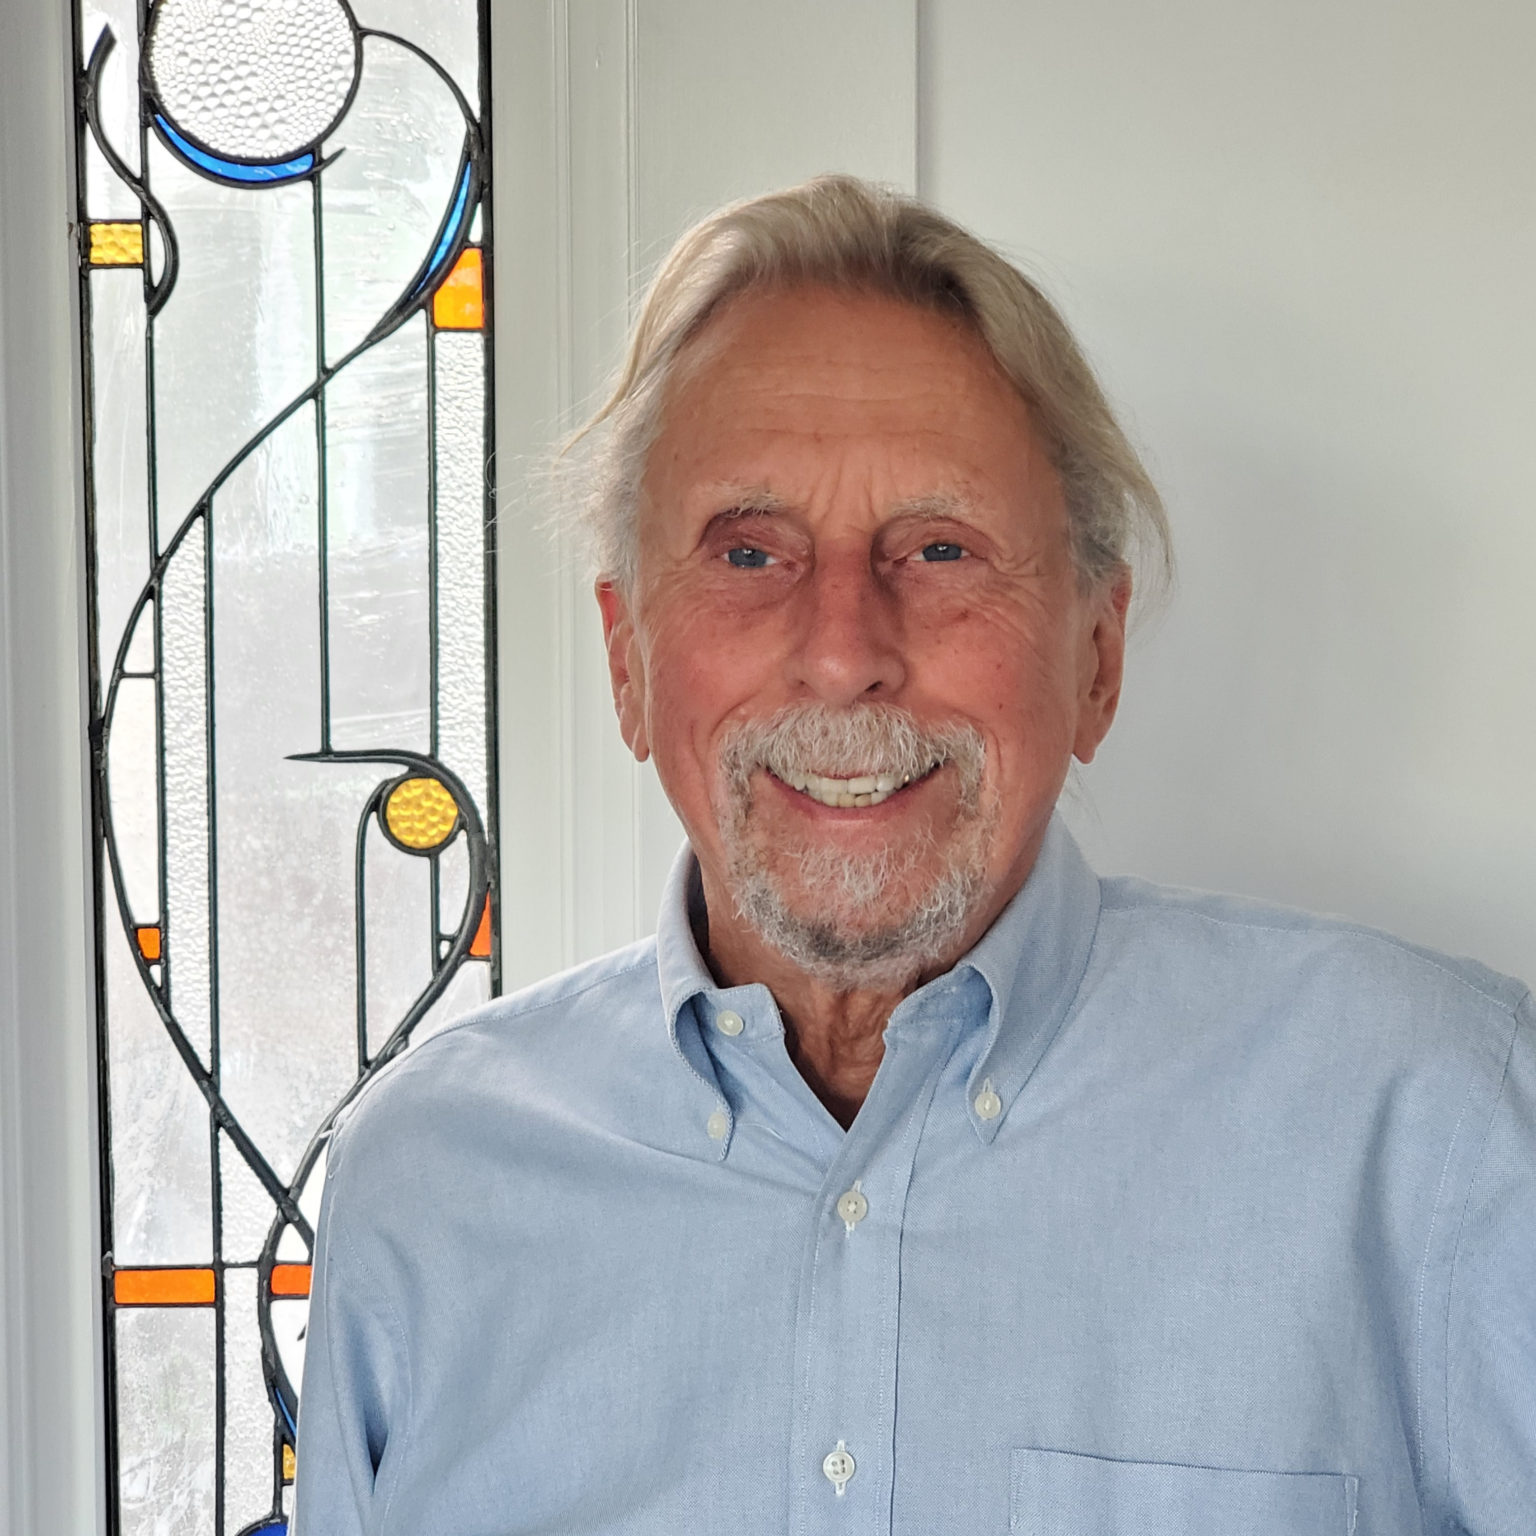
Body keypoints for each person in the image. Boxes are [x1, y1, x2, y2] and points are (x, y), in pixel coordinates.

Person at [292, 176, 1534, 1535]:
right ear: (627, 661)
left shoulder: (1443, 1128)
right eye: (750, 552)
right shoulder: (427, 1186)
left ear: (1098, 660)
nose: (843, 648)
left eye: (940, 549)